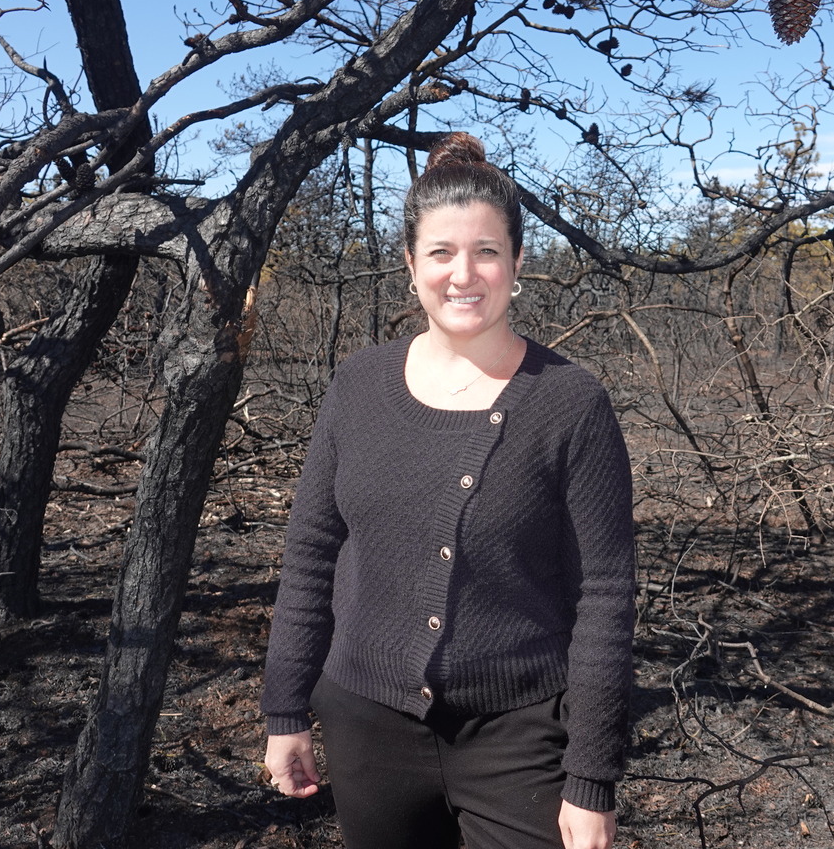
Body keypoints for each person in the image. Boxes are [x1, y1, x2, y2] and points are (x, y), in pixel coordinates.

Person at [260, 131, 635, 849]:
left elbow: (606, 596)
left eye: (487, 251)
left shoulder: (569, 403)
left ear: (519, 262)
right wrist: (285, 709)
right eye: (441, 252)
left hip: (523, 736)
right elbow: (311, 554)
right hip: (367, 726)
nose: (464, 274)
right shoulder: (358, 387)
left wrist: (591, 777)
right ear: (409, 264)